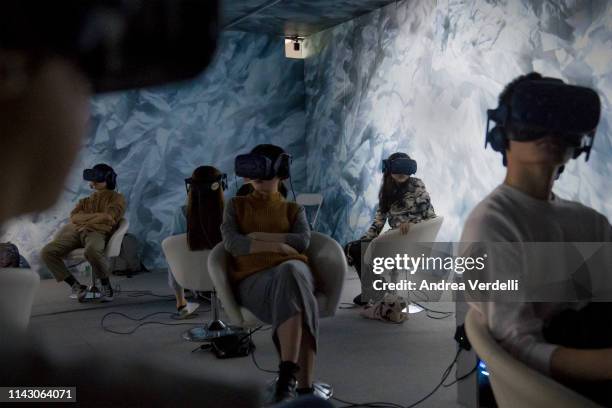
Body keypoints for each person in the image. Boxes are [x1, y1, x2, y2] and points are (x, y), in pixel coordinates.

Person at [461, 72, 612, 405]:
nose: (549, 131)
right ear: (503, 134)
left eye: (561, 119)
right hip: (558, 391)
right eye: (534, 115)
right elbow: (519, 348)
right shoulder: (492, 225)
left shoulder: (592, 223)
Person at [222, 144, 317, 403]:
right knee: (297, 290)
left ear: (282, 171)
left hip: (293, 271)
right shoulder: (235, 205)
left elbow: (302, 242)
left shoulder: (294, 210)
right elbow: (233, 243)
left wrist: (256, 237)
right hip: (255, 280)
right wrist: (277, 245)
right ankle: (304, 388)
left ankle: (287, 377)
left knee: (291, 271)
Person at [345, 152, 436, 305]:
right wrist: (365, 240)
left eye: (405, 168)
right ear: (389, 169)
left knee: (358, 249)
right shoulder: (387, 190)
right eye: (397, 168)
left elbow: (430, 216)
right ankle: (373, 289)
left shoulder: (417, 185)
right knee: (353, 248)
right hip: (393, 239)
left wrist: (412, 224)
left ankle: (374, 290)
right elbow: (378, 222)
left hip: (409, 241)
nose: (401, 173)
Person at [41, 163, 125, 302]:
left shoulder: (116, 198)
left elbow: (109, 217)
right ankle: (76, 286)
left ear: (108, 179)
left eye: (97, 179)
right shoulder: (85, 200)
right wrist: (97, 217)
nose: (93, 182)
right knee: (47, 252)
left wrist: (85, 219)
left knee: (91, 250)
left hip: (97, 233)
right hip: (77, 232)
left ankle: (105, 285)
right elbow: (74, 217)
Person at [167, 165, 225, 318]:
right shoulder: (229, 212)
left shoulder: (182, 213)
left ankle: (181, 303)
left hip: (191, 276)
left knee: (174, 251)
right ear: (219, 185)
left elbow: (173, 250)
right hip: (222, 276)